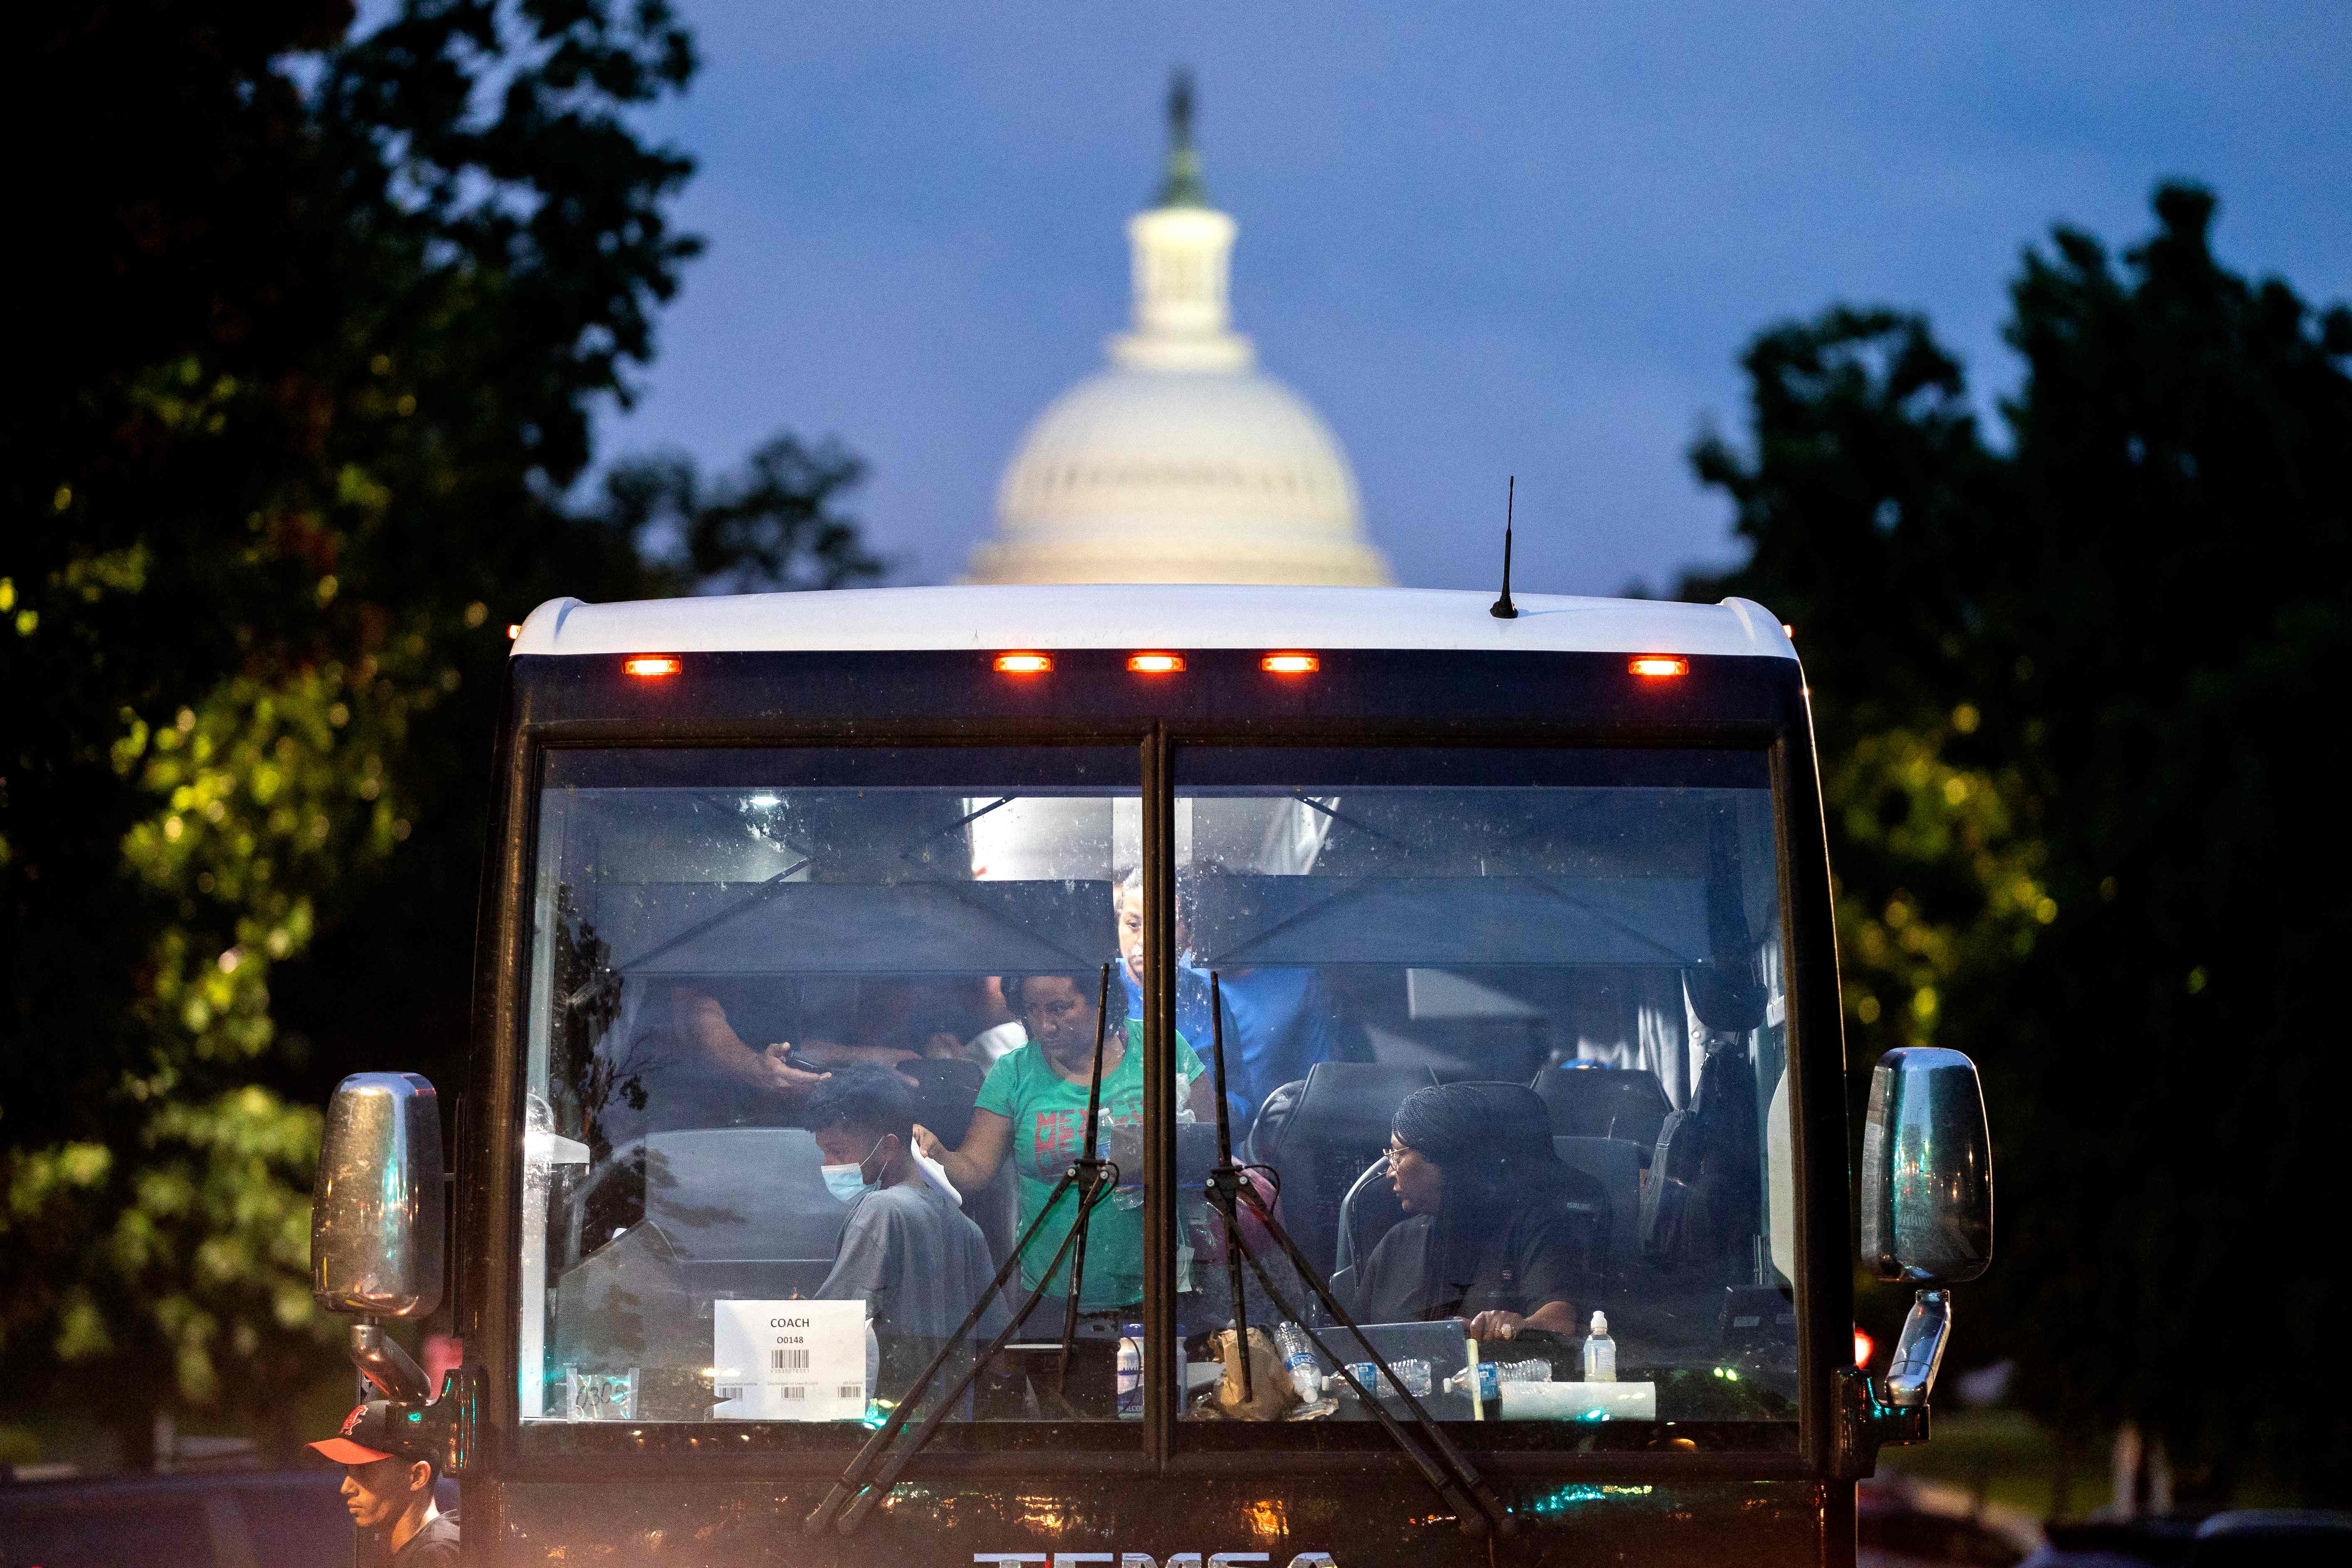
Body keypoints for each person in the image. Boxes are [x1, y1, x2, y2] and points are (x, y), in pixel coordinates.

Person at [915, 972, 1216, 1343]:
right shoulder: (1014, 1072)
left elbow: (1208, 1150)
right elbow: (974, 1170)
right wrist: (937, 1153)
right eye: (1032, 1010)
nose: (1045, 1025)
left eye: (1059, 1008)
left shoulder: (1159, 1047)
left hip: (1164, 1287)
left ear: (1102, 1002)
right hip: (1054, 1294)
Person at [1354, 1082, 1592, 1342]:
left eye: (1398, 1155)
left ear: (1446, 1158)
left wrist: (1518, 1327)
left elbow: (1560, 1321)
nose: (1390, 1172)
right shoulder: (1396, 1242)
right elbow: (1350, 1342)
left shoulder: (1536, 1229)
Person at [808, 1068, 1007, 1365]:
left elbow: (835, 1324)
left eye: (837, 1151)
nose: (827, 1163)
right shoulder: (964, 1226)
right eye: (823, 1151)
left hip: (892, 1394)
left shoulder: (881, 1211)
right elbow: (998, 1340)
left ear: (888, 1147)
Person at [308, 1399, 459, 1565]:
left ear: (417, 1477)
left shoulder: (434, 1556)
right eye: (347, 1470)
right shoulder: (415, 1550)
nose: (346, 1488)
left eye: (364, 1470)